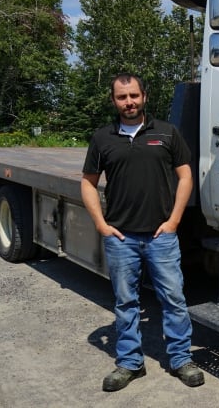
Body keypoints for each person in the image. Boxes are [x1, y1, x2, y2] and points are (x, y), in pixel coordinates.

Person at [80, 73, 204, 392]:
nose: (129, 102)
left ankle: (180, 359)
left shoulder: (166, 132)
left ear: (144, 97)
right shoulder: (103, 137)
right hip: (121, 238)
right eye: (122, 97)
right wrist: (100, 224)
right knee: (125, 302)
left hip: (161, 236)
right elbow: (88, 183)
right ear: (114, 101)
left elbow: (186, 177)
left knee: (174, 299)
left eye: (133, 95)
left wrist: (174, 220)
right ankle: (130, 363)